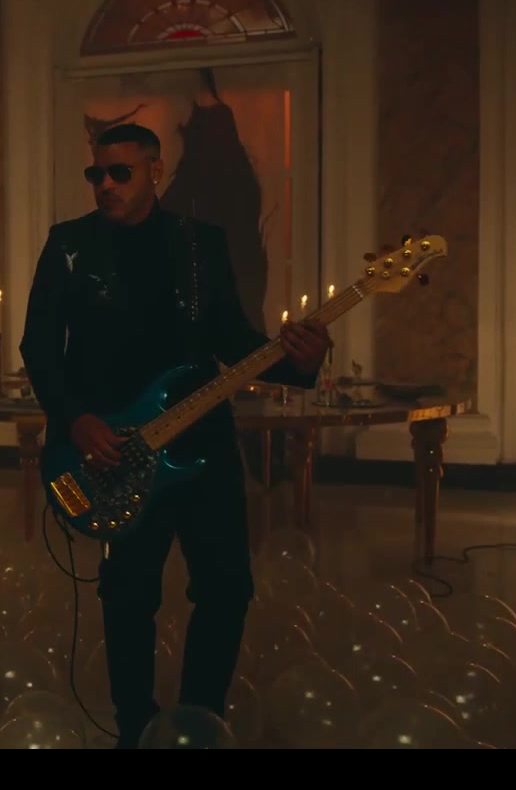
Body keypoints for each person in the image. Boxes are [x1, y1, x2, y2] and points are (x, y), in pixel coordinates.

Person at [18, 122, 331, 747]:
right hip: (112, 450)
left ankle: (197, 720)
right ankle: (135, 727)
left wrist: (300, 361)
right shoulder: (69, 244)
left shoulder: (199, 244)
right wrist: (76, 418)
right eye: (97, 173)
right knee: (128, 595)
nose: (105, 185)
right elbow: (39, 347)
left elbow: (232, 339)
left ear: (155, 171)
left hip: (203, 446)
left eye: (121, 172)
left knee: (227, 588)